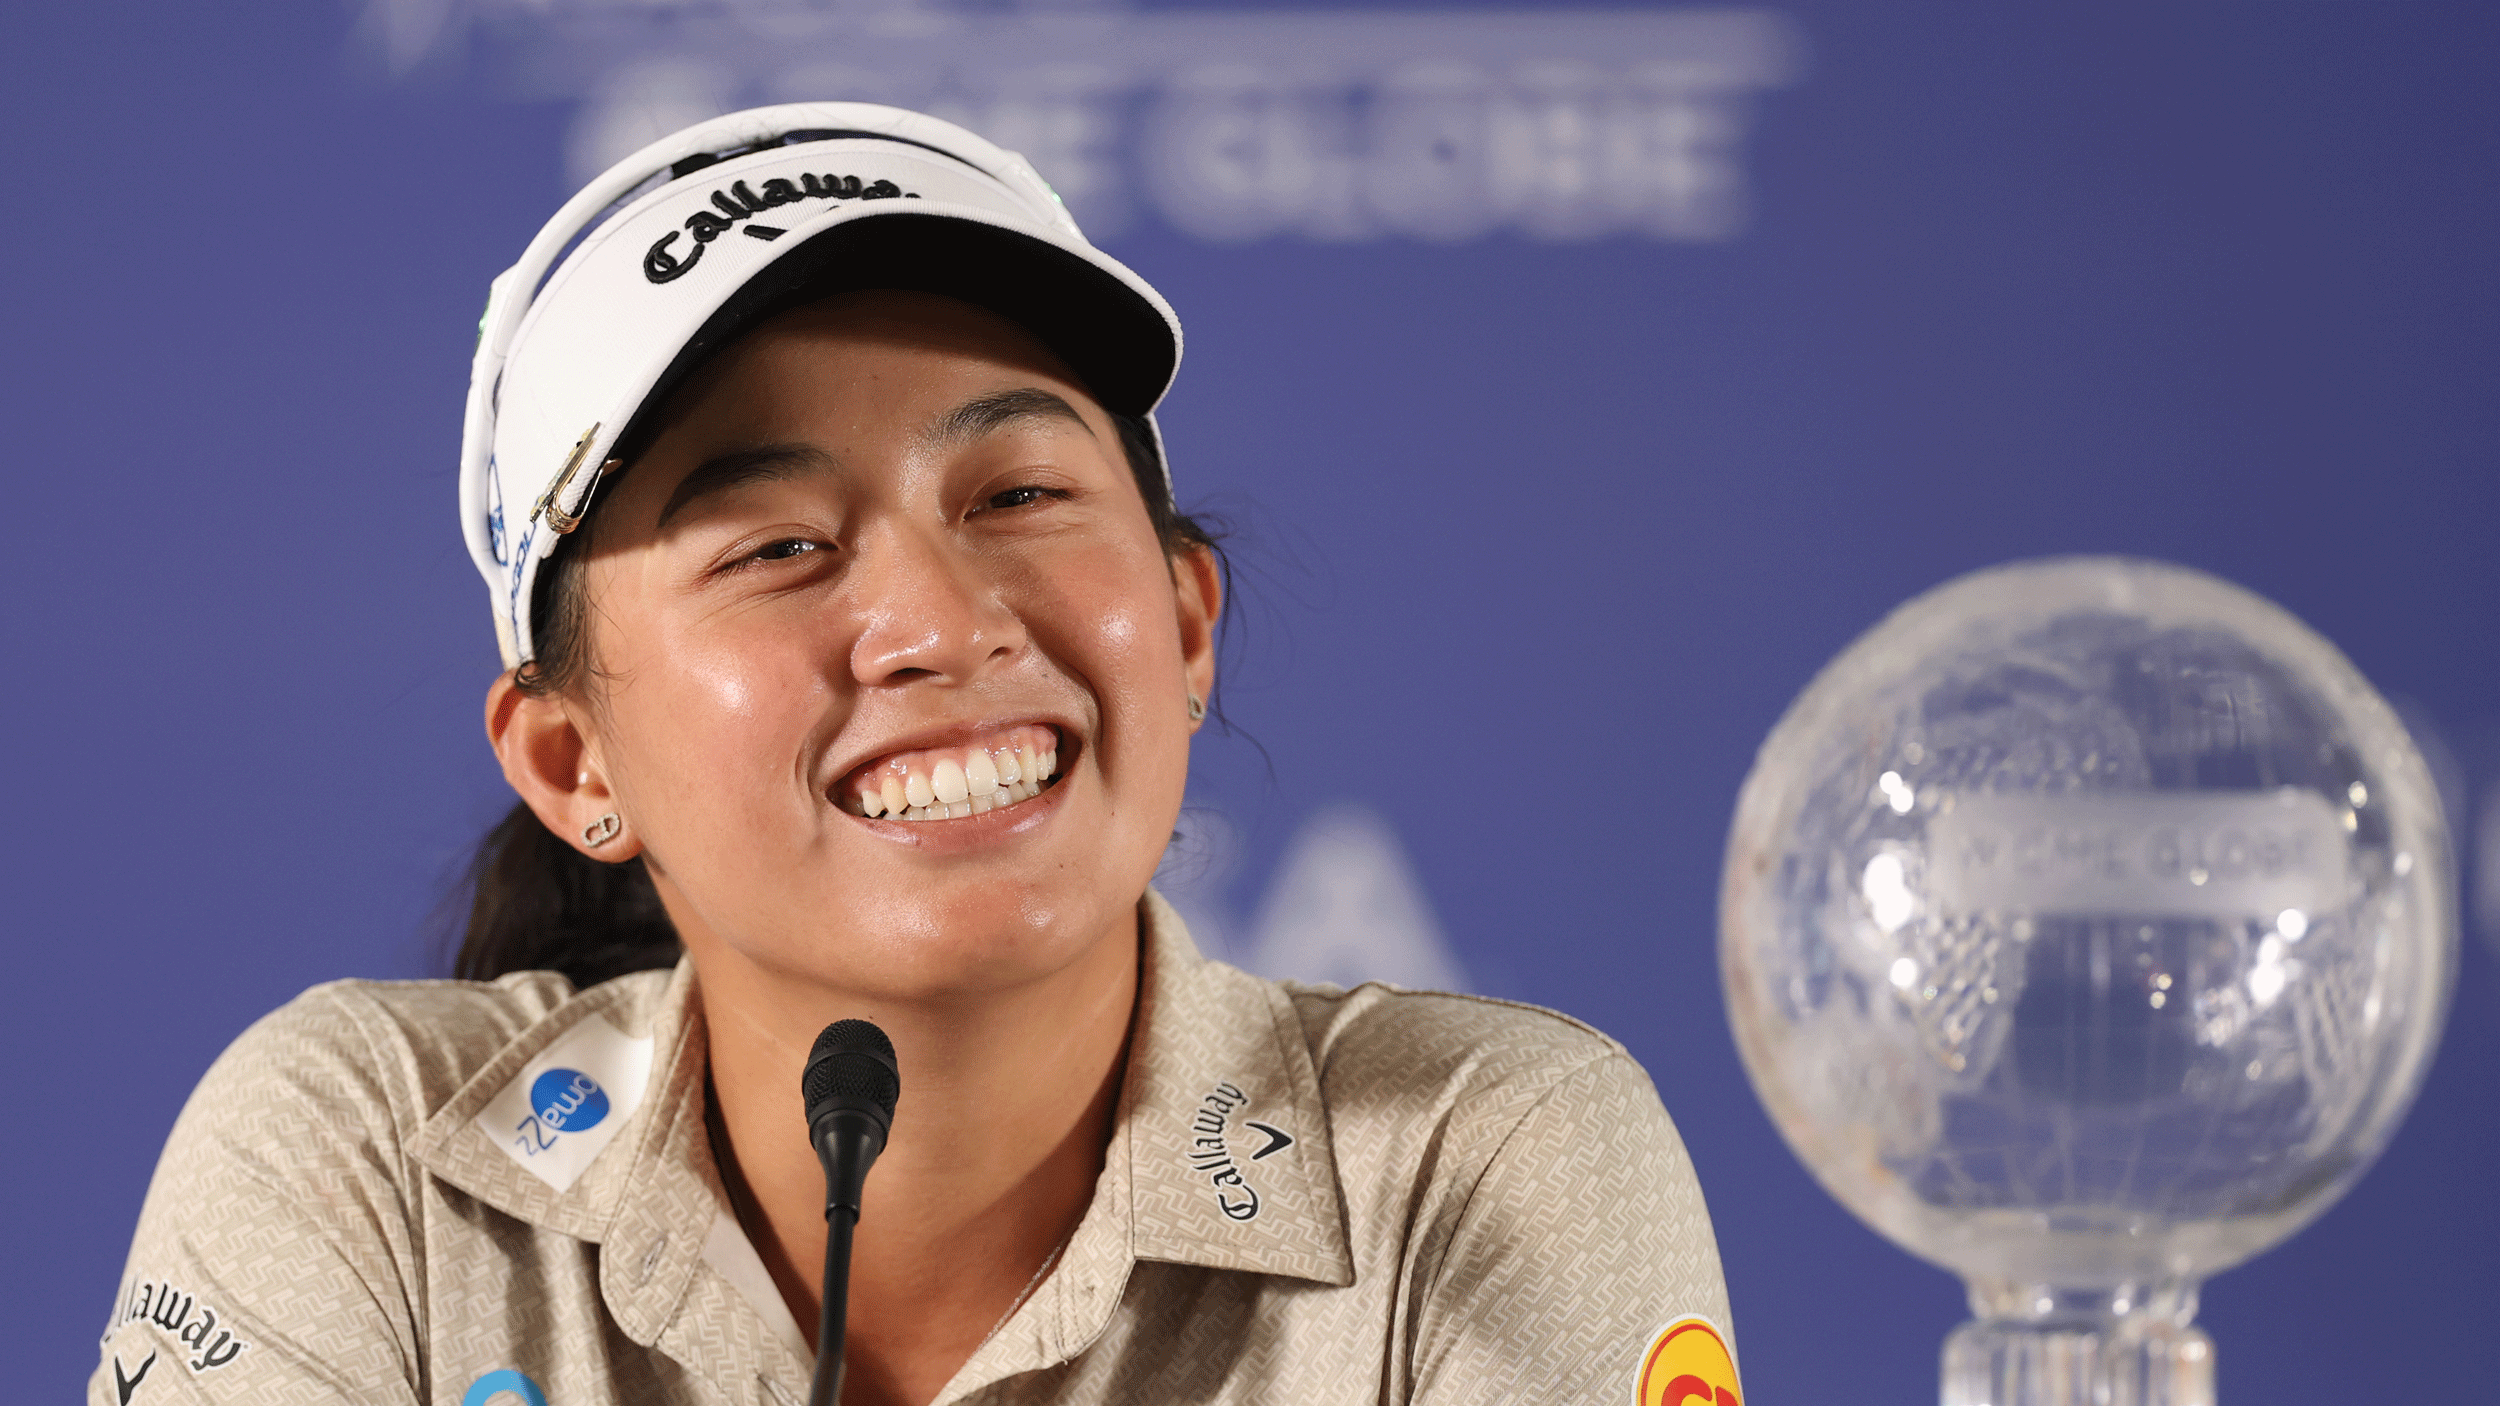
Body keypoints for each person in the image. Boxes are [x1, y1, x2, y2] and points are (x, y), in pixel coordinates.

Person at [91, 103, 1737, 1406]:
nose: (941, 624)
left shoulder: (1480, 1153)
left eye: (1016, 494)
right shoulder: (366, 1158)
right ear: (574, 759)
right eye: (779, 545)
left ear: (1183, 627)